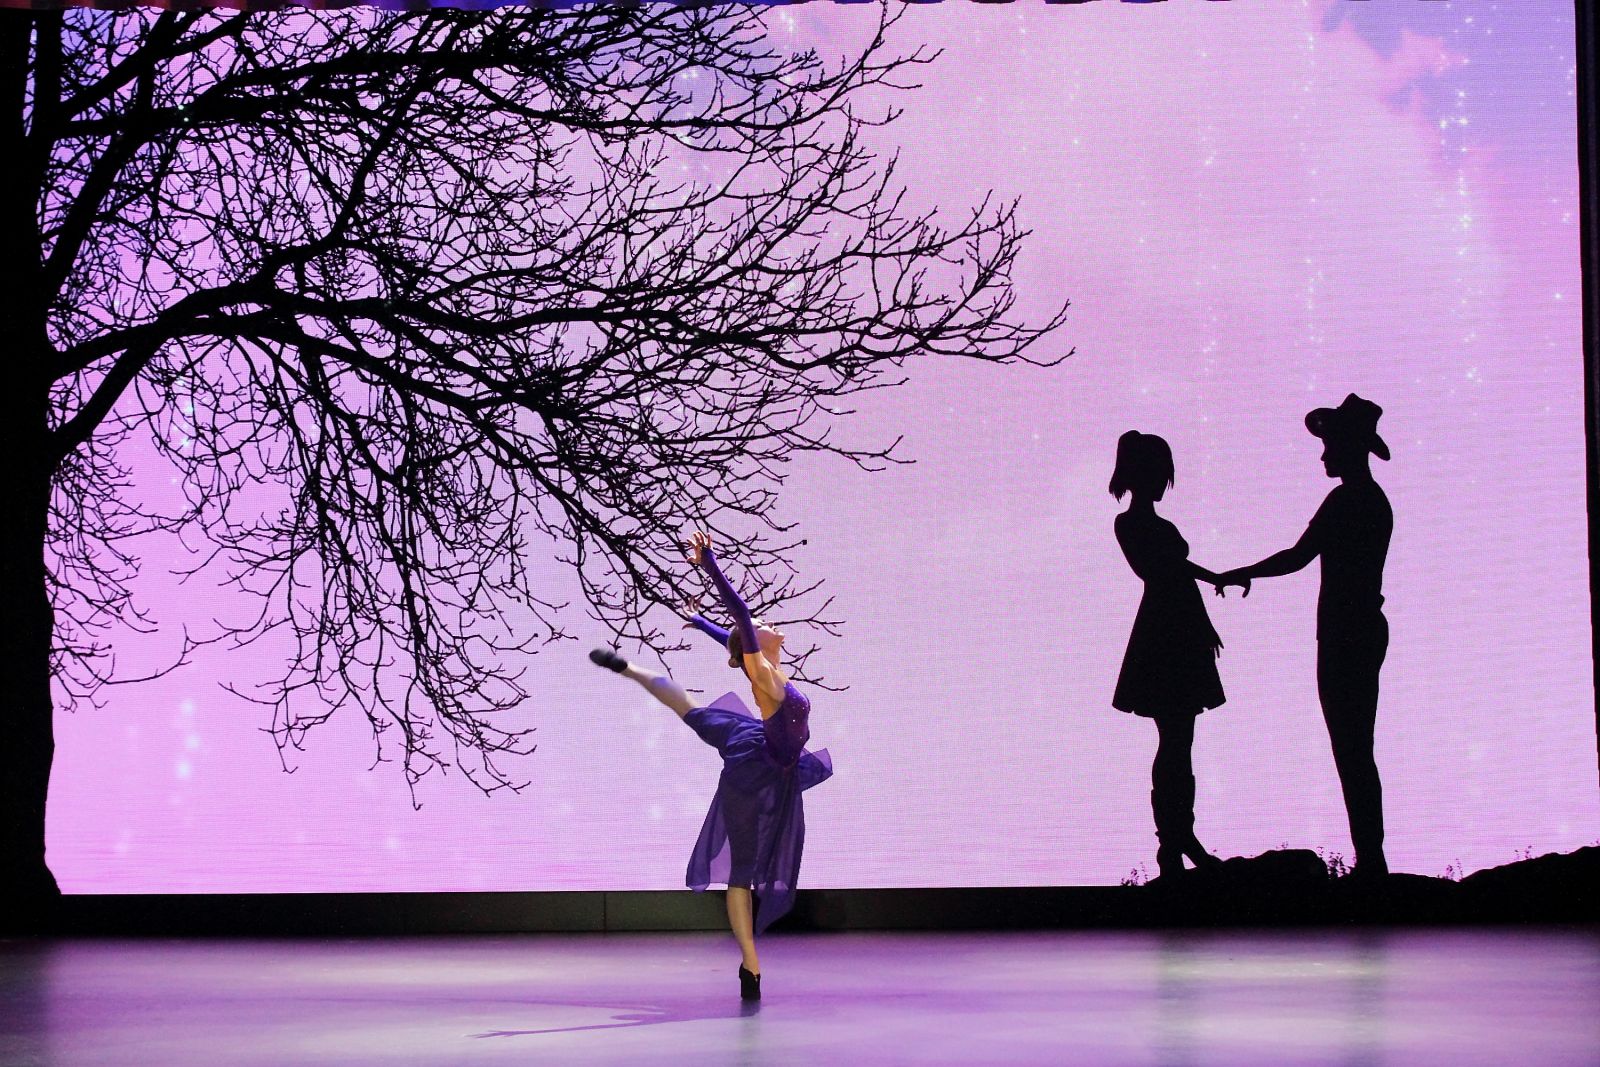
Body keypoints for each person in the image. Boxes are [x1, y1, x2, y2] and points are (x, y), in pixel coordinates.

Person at [590, 531, 832, 1000]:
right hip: (753, 772)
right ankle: (750, 963)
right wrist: (710, 564)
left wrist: (701, 623)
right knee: (742, 871)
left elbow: (735, 635)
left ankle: (631, 670)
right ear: (753, 644)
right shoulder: (763, 674)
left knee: (691, 709)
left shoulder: (765, 665)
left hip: (759, 746)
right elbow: (739, 618)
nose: (765, 621)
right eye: (759, 624)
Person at [1216, 394, 1393, 878]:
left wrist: (1243, 571)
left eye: (1329, 445)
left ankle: (1371, 861)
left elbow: (1297, 556)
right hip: (1360, 628)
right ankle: (1370, 857)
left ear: (1349, 447)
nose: (1323, 455)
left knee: (1351, 749)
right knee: (1356, 747)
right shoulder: (1371, 500)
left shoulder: (1347, 500)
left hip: (1345, 633)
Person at [1110, 430, 1232, 880]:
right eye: (1161, 473)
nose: (1166, 481)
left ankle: (1180, 840)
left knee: (1180, 742)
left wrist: (1213, 583)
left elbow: (1177, 572)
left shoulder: (1151, 526)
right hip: (1164, 634)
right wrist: (1204, 609)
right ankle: (1175, 843)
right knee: (1175, 742)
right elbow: (1165, 572)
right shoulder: (1131, 524)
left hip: (1176, 631)